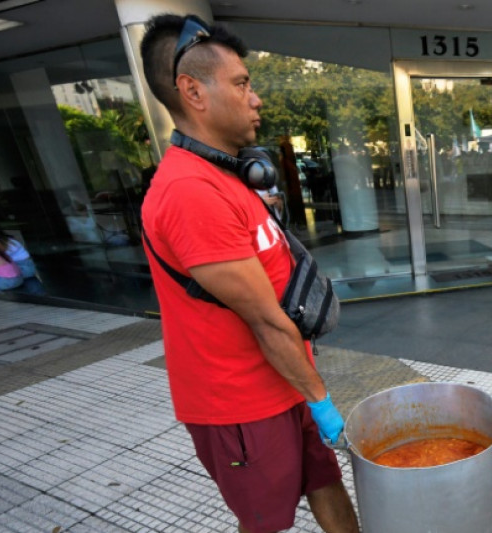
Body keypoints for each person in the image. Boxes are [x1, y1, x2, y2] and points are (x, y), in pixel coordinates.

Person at [138, 14, 358, 533]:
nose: (255, 99)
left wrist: (308, 393)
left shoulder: (229, 175)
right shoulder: (190, 192)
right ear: (193, 91)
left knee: (325, 481)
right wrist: (322, 402)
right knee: (265, 522)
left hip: (288, 380)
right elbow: (263, 320)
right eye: (241, 84)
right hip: (240, 403)